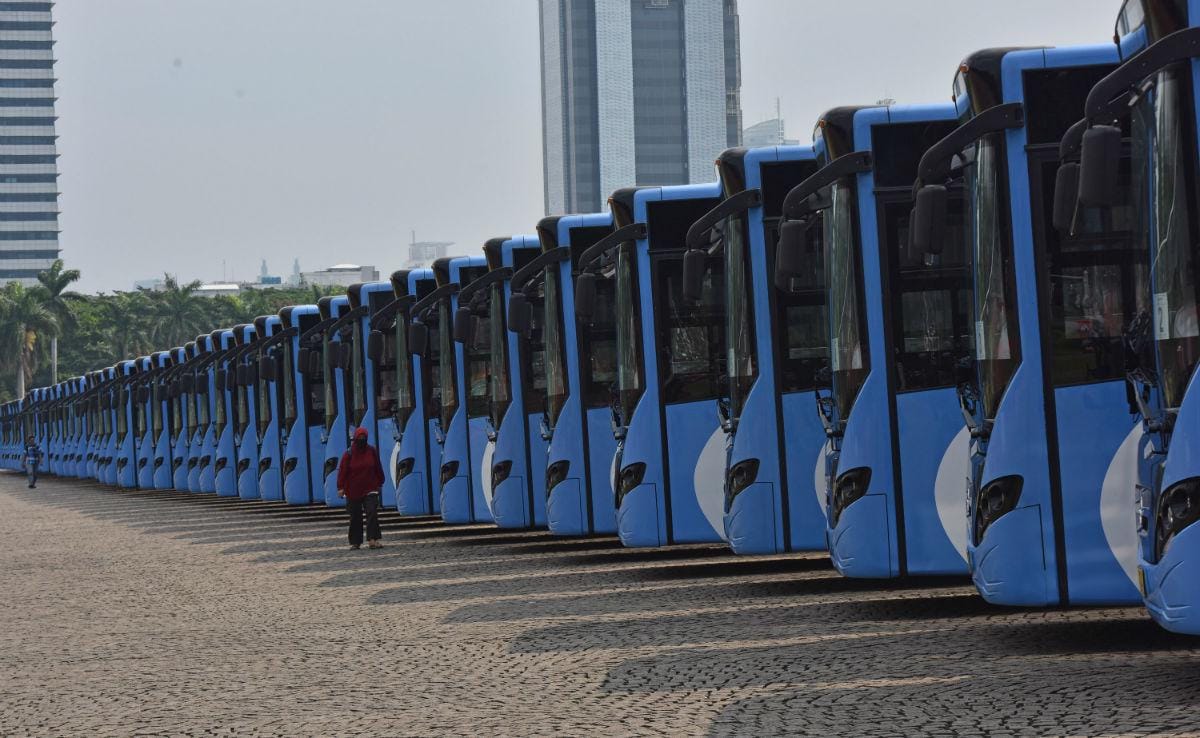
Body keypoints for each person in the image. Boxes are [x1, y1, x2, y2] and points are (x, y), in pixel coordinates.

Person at [335, 426, 385, 550]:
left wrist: (380, 482)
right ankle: (355, 542)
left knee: (372, 512)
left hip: (370, 487)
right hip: (353, 490)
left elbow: (378, 467)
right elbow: (342, 471)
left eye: (364, 438)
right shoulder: (348, 454)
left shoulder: (372, 451)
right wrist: (340, 487)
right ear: (356, 439)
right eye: (360, 438)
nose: (362, 440)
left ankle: (373, 539)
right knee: (355, 516)